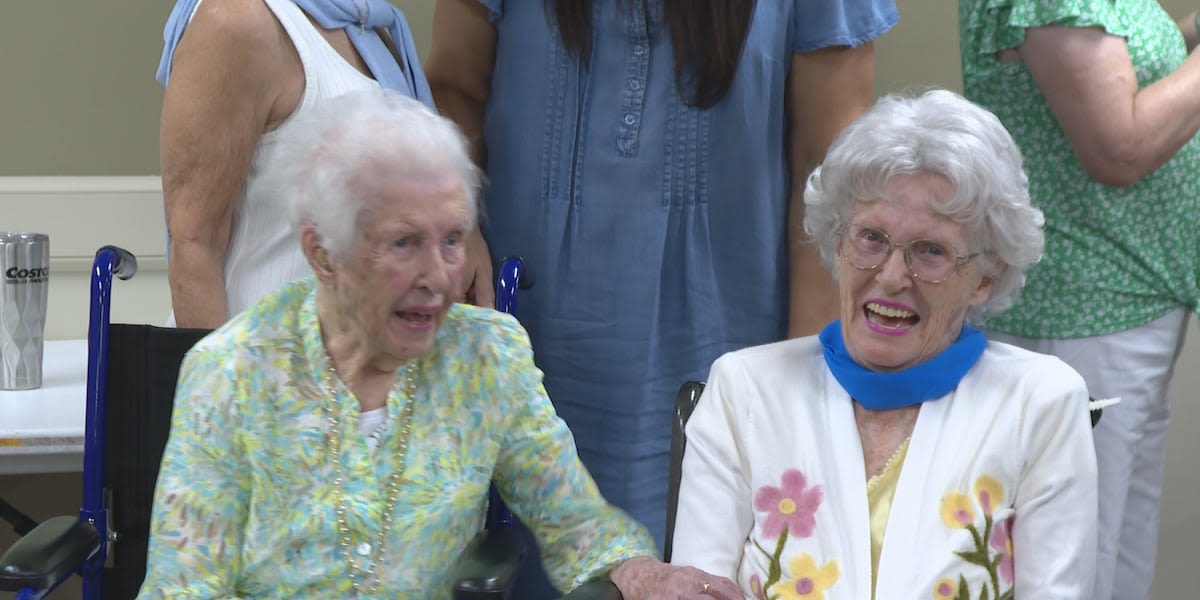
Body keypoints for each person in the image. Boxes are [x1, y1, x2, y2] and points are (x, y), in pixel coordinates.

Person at [136, 90, 742, 599]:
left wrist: (640, 571)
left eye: (453, 239)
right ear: (322, 253)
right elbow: (182, 585)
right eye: (404, 243)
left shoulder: (487, 356)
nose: (439, 275)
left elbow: (574, 520)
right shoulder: (230, 373)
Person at [424, 0, 899, 570]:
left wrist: (806, 379)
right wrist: (455, 226)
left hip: (727, 331)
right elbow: (453, 90)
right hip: (522, 324)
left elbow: (828, 171)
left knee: (704, 555)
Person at [670, 90, 1099, 599]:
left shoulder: (1039, 402)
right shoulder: (744, 390)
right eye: (871, 238)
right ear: (837, 243)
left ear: (986, 276)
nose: (893, 276)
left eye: (931, 251)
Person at [957, 3, 1200, 598]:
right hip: (1080, 315)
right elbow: (1119, 147)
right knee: (1073, 570)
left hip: (1129, 303)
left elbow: (1134, 72)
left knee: (1114, 563)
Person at [155, 0, 432, 328]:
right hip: (261, 365)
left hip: (366, 363)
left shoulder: (365, 18)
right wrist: (217, 377)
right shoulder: (236, 18)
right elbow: (194, 241)